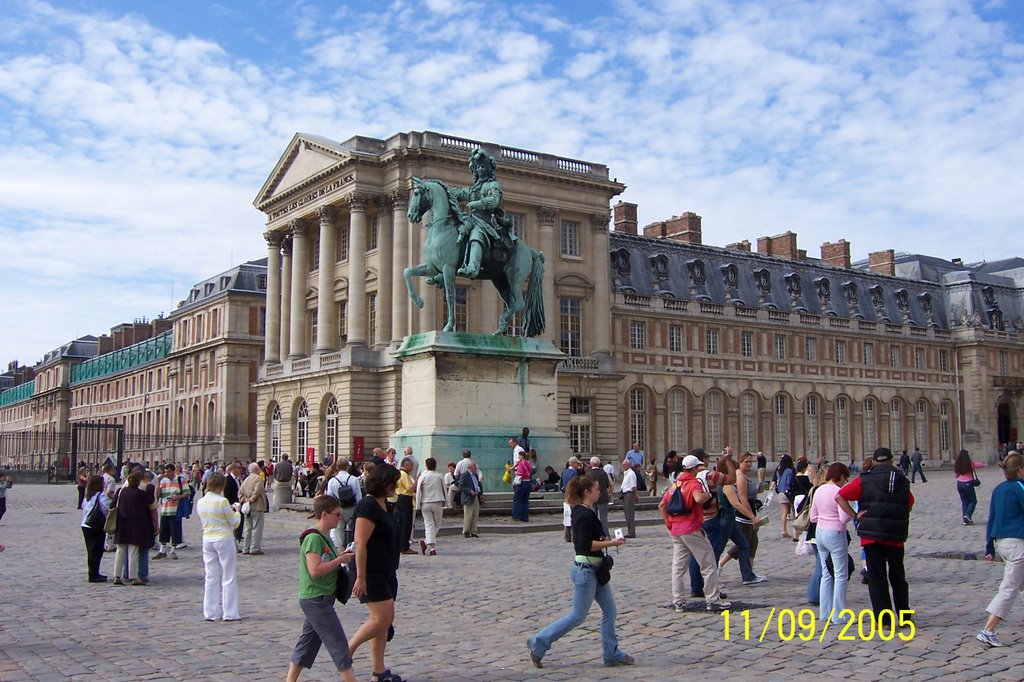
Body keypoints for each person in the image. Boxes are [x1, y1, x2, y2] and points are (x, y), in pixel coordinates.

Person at [527, 476, 634, 669]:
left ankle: (611, 654)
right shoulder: (583, 514)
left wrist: (602, 536)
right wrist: (611, 543)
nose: (599, 492)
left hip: (595, 569)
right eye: (596, 489)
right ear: (587, 493)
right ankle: (538, 643)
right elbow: (585, 545)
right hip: (586, 572)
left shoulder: (584, 511)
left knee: (610, 611)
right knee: (577, 616)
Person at [836, 447, 915, 626]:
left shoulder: (865, 480)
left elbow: (840, 497)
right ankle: (904, 618)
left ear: (874, 461)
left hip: (871, 536)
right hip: (895, 537)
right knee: (898, 577)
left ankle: (883, 619)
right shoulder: (901, 479)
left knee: (877, 578)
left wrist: (855, 515)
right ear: (890, 460)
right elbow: (910, 503)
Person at [286, 495, 358, 682]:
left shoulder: (326, 537)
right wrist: (339, 561)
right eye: (336, 514)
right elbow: (315, 570)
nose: (339, 518)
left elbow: (326, 562)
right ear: (324, 514)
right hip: (316, 599)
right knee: (339, 643)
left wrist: (341, 556)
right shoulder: (313, 538)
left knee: (307, 644)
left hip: (322, 597)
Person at [348, 464, 403, 682]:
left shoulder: (384, 505)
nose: (396, 486)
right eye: (393, 482)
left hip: (387, 569)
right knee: (383, 619)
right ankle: (346, 651)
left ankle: (378, 671)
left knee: (382, 624)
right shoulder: (367, 506)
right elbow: (360, 543)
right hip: (371, 571)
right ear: (383, 483)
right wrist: (360, 577)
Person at [662, 455, 731, 612]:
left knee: (678, 567)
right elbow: (699, 498)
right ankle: (713, 599)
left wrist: (669, 523)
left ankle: (678, 601)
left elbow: (662, 505)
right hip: (691, 527)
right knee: (708, 563)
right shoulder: (693, 483)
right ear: (694, 468)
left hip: (676, 530)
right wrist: (708, 495)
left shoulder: (676, 484)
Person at [977, 453, 1024, 647]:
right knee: (1009, 588)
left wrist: (989, 546)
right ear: (1020, 469)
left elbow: (992, 518)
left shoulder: (998, 489)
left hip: (1002, 542)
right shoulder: (1021, 487)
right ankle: (988, 629)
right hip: (1018, 544)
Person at [450, 147, 515, 279]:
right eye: (478, 167)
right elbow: (459, 193)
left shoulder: (493, 185)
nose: (480, 170)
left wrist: (477, 203)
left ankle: (472, 267)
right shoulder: (474, 189)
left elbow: (494, 200)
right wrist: (438, 188)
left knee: (476, 234)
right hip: (472, 221)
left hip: (486, 223)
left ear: (489, 169)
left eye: (483, 167)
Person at [810, 463, 853, 625]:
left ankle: (825, 612)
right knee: (841, 574)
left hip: (820, 533)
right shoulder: (838, 492)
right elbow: (843, 518)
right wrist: (853, 513)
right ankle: (839, 615)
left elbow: (813, 517)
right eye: (845, 478)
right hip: (835, 533)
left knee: (826, 574)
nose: (845, 482)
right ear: (840, 477)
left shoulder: (819, 490)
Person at [197, 472, 242, 622]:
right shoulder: (222, 501)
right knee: (228, 576)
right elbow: (234, 523)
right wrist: (237, 511)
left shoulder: (201, 501)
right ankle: (229, 612)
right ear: (221, 485)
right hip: (223, 539)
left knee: (211, 576)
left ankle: (210, 612)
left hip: (207, 538)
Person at [113, 471, 154, 586]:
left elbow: (112, 504)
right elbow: (150, 500)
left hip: (121, 524)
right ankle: (134, 577)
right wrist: (150, 487)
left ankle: (116, 576)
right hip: (135, 525)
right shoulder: (140, 493)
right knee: (133, 551)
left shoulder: (121, 491)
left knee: (120, 551)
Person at [80, 474, 110, 582]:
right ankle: (93, 575)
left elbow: (84, 507)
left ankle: (93, 573)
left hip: (86, 524)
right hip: (96, 526)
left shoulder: (88, 495)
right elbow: (107, 508)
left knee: (91, 551)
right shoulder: (101, 496)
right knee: (96, 551)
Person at [153, 464, 187, 560]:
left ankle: (173, 550)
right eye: (165, 472)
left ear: (173, 471)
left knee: (175, 530)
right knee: (164, 531)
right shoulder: (163, 481)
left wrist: (178, 497)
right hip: (164, 509)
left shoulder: (180, 480)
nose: (166, 473)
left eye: (168, 471)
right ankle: (162, 550)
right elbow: (157, 495)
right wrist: (158, 482)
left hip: (176, 510)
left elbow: (187, 492)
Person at [327, 457, 362, 548]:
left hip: (338, 507)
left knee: (338, 530)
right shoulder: (353, 479)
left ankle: (339, 551)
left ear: (337, 468)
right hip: (351, 507)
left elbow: (330, 497)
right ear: (348, 467)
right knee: (352, 530)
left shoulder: (332, 481)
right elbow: (358, 496)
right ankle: (351, 548)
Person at [415, 457, 445, 556]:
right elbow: (444, 489)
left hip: (425, 502)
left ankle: (431, 546)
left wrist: (417, 504)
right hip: (437, 501)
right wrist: (447, 502)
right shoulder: (439, 476)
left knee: (429, 525)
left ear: (426, 465)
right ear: (435, 465)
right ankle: (430, 545)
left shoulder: (423, 476)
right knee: (437, 524)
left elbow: (419, 491)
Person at [240, 462, 268, 555]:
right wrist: (251, 500)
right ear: (256, 470)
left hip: (247, 508)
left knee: (248, 528)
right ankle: (254, 547)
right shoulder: (258, 479)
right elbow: (257, 491)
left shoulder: (246, 479)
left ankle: (246, 548)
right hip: (257, 506)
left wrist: (246, 500)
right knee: (257, 527)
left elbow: (240, 493)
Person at [395, 456, 417, 555]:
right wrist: (417, 480)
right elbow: (410, 488)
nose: (412, 467)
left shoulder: (399, 473)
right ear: (406, 465)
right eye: (411, 465)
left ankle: (400, 545)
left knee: (402, 523)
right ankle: (404, 546)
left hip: (400, 498)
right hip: (405, 498)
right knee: (406, 524)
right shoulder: (404, 475)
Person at [954, 449, 981, 525]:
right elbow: (979, 465)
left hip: (959, 484)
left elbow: (956, 475)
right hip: (968, 483)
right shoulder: (970, 463)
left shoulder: (957, 464)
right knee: (973, 500)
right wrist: (985, 464)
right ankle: (968, 515)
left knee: (965, 502)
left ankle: (965, 519)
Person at [772, 455, 796, 539]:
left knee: (784, 513)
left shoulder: (779, 470)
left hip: (781, 492)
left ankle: (783, 530)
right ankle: (795, 531)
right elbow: (789, 482)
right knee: (794, 512)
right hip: (788, 493)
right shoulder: (789, 471)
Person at [586, 457, 611, 535]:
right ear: (599, 463)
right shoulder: (603, 473)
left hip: (592, 498)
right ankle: (606, 534)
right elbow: (607, 485)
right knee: (604, 518)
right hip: (603, 497)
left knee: (593, 518)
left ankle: (595, 534)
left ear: (591, 464)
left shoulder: (588, 474)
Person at [460, 461, 482, 538]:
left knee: (475, 515)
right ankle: (466, 531)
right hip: (468, 497)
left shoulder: (475, 475)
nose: (476, 468)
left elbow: (477, 484)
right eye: (474, 466)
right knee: (468, 515)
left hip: (475, 496)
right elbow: (461, 486)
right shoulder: (464, 475)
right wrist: (469, 491)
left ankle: (474, 531)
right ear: (470, 467)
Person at [511, 441, 532, 522]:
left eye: (519, 456)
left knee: (517, 499)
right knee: (525, 501)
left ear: (521, 456)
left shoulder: (521, 464)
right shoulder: (527, 463)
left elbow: (520, 473)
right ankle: (525, 517)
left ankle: (516, 515)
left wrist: (516, 473)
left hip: (522, 482)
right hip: (528, 482)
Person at [620, 459, 638, 538]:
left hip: (629, 494)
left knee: (630, 514)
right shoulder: (626, 474)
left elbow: (633, 486)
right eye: (623, 465)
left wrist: (635, 496)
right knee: (627, 514)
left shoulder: (631, 474)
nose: (623, 466)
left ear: (629, 465)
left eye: (625, 465)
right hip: (625, 494)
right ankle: (630, 530)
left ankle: (631, 532)